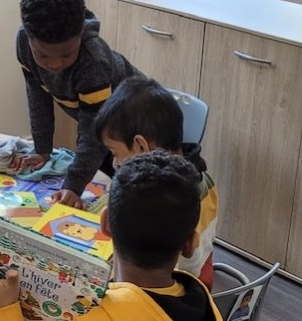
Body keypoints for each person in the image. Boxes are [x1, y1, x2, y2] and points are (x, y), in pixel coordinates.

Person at [0, 151, 223, 321]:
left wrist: (0, 309)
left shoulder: (101, 314)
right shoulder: (199, 296)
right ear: (190, 243)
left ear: (105, 224)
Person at [13, 0, 143, 209]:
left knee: (133, 204)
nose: (54, 64)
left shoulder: (93, 61)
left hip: (136, 126)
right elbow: (38, 96)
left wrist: (73, 186)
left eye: (66, 55)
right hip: (105, 131)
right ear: (29, 39)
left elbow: (93, 132)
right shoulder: (23, 42)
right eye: (43, 56)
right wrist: (42, 149)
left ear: (81, 34)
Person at [93, 76, 218, 288]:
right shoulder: (196, 180)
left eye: (115, 153)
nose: (114, 163)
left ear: (141, 147)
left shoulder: (170, 199)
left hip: (172, 286)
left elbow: (162, 270)